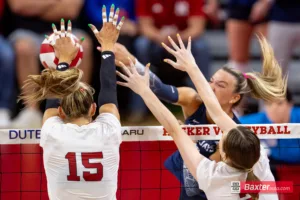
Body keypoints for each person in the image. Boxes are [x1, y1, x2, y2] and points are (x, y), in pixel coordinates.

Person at [99, 35, 282, 198]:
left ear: (235, 97)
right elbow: (163, 90)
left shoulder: (225, 160)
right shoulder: (248, 146)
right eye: (211, 80)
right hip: (196, 188)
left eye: (220, 85)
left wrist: (189, 139)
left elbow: (175, 130)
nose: (210, 87)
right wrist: (133, 62)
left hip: (205, 189)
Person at [19, 5, 124, 199]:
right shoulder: (108, 131)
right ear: (93, 109)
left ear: (61, 112)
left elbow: (107, 92)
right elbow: (109, 89)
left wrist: (63, 58)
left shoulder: (53, 134)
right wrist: (108, 47)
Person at [7, 0, 94, 128]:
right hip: (27, 31)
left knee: (84, 46)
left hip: (67, 30)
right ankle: (31, 111)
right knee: (23, 48)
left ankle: (77, 108)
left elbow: (70, 9)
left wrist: (35, 7)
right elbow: (19, 5)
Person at [240, 89, 300, 179]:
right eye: (269, 104)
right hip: (276, 170)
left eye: (279, 103)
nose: (274, 108)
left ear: (290, 105)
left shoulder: (298, 117)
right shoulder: (259, 121)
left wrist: (274, 152)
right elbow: (233, 125)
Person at [226, 0, 273, 72]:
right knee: (238, 62)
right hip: (239, 6)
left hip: (271, 10)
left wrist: (265, 2)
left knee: (271, 60)